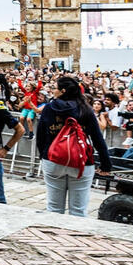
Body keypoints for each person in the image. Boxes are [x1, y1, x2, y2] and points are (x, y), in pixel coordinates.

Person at [36, 76, 112, 217]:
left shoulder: (49, 108)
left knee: (54, 208)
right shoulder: (85, 109)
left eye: (55, 88)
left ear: (62, 91)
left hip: (53, 159)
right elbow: (97, 139)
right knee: (78, 210)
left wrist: (43, 156)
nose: (53, 91)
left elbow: (40, 136)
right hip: (81, 161)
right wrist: (106, 164)